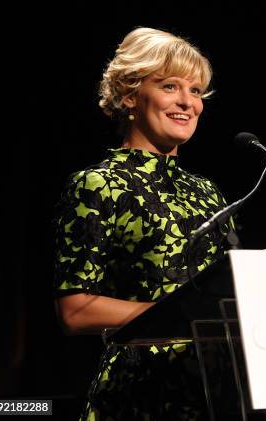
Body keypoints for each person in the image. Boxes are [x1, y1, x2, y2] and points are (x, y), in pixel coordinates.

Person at [52, 27, 237, 420]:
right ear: (130, 95)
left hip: (216, 391)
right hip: (140, 393)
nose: (188, 102)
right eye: (170, 86)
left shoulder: (208, 192)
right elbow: (76, 310)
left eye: (196, 91)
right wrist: (179, 316)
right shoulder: (99, 184)